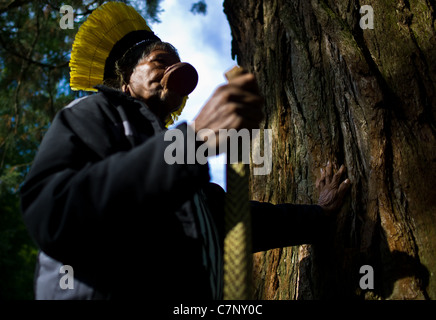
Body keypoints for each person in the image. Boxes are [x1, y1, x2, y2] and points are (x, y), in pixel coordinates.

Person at [20, 2, 350, 300]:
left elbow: (242, 222)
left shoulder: (188, 175)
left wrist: (319, 215)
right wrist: (194, 141)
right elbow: (54, 210)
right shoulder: (94, 112)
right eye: (159, 61)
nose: (173, 72)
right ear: (125, 78)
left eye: (178, 65)